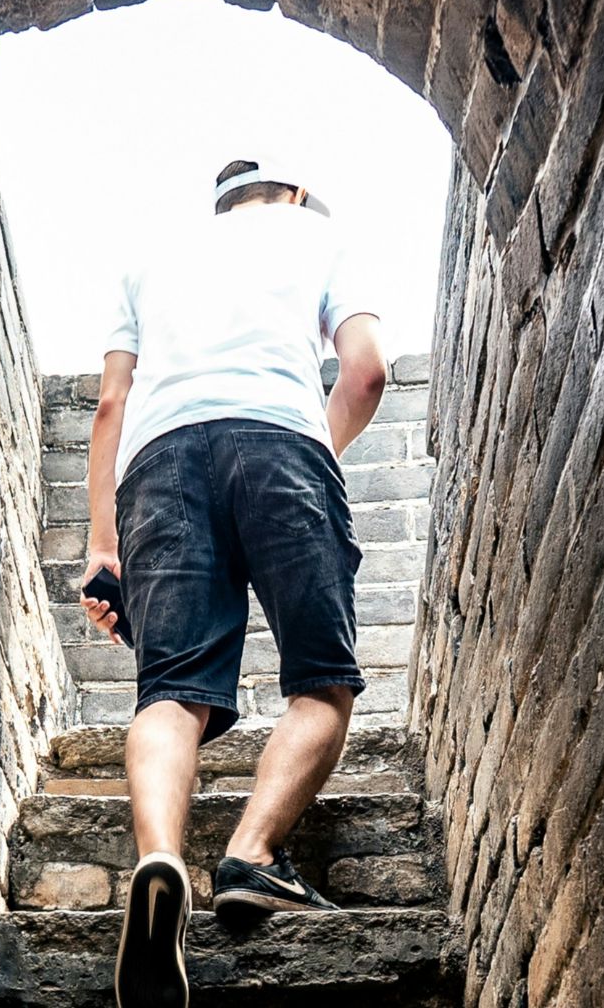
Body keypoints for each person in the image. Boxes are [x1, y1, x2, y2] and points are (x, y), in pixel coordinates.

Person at [79, 157, 388, 1008]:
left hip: (158, 462)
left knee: (172, 690)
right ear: (292, 193)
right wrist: (311, 451)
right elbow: (365, 373)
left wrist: (104, 545)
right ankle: (252, 854)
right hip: (281, 439)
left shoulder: (150, 257)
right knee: (323, 682)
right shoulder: (319, 236)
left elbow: (110, 404)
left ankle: (159, 860)